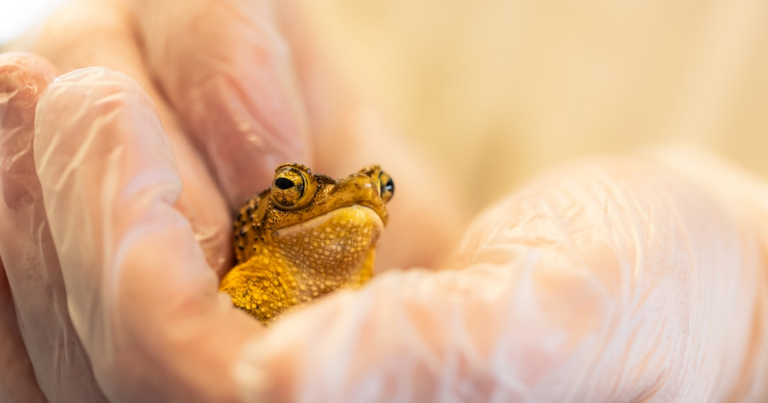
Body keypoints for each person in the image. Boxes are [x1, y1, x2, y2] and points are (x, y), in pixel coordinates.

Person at [1, 0, 766, 401]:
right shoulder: (250, 271)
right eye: (302, 195)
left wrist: (746, 339)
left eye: (378, 196)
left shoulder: (379, 291)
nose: (362, 202)